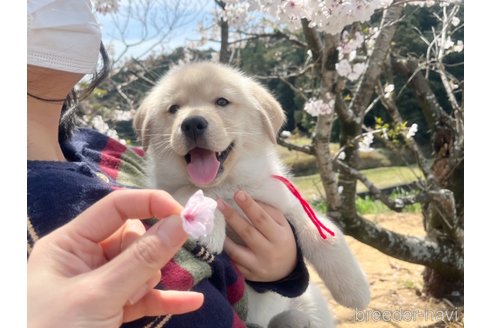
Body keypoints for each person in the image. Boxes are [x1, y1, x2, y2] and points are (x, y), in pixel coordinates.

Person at [27, 0, 309, 327]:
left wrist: (283, 268)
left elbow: (224, 259)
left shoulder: (95, 147)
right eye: (173, 109)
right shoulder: (33, 215)